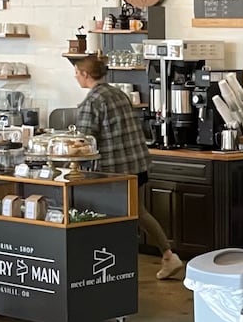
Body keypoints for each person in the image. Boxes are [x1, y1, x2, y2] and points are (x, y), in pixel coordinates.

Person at [70, 53, 183, 280]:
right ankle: (169, 256)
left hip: (112, 171)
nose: (76, 78)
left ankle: (113, 268)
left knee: (107, 218)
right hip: (137, 164)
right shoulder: (118, 94)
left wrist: (64, 149)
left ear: (84, 74)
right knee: (139, 213)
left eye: (76, 74)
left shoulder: (91, 102)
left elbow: (84, 143)